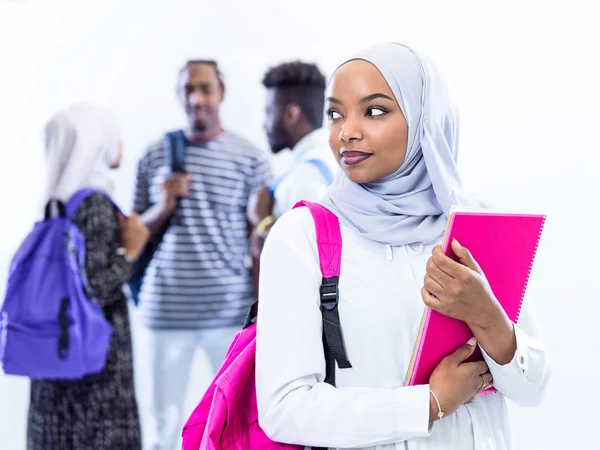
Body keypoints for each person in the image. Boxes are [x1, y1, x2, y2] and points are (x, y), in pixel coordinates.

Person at [255, 43, 550, 449]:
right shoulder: (301, 235)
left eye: (374, 111)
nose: (347, 131)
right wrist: (426, 405)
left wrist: (489, 318)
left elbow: (533, 390)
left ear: (423, 119)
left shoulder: (474, 225)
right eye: (335, 114)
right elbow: (283, 409)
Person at [133, 59, 271, 450]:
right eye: (188, 90)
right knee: (163, 426)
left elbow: (257, 240)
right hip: (165, 312)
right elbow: (133, 238)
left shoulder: (251, 158)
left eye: (205, 88)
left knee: (237, 421)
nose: (196, 99)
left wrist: (262, 310)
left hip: (228, 311)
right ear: (179, 95)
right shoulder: (155, 155)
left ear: (221, 93)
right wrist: (161, 205)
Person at [27, 104, 148, 450]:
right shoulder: (94, 205)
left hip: (57, 360)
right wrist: (129, 253)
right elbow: (92, 287)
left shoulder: (55, 204)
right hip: (94, 374)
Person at [248, 61, 338, 245]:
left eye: (268, 112)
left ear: (292, 114)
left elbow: (303, 257)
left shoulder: (303, 179)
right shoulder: (335, 158)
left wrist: (262, 221)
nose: (264, 124)